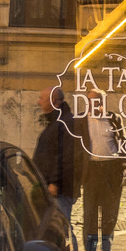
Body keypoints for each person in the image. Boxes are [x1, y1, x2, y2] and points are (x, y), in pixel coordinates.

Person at [78, 90, 126, 251]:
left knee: (109, 212)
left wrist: (122, 167)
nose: (94, 105)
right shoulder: (81, 120)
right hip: (91, 170)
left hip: (111, 170)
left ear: (104, 102)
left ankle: (107, 249)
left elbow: (123, 142)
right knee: (90, 213)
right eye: (91, 101)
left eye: (98, 101)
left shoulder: (114, 118)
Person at [32, 86, 78, 231]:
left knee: (61, 229)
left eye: (41, 98)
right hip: (50, 186)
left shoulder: (65, 122)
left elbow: (66, 156)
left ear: (53, 101)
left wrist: (55, 183)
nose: (39, 102)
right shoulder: (56, 121)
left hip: (58, 190)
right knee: (54, 229)